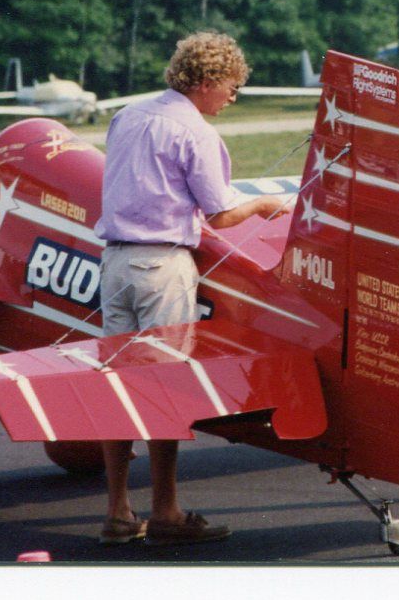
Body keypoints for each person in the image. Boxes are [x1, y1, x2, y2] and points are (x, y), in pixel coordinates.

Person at [94, 30, 292, 546]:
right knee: (165, 388)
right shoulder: (197, 133)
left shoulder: (128, 116)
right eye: (230, 86)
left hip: (114, 262)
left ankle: (118, 510)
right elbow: (222, 214)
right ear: (205, 83)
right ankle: (166, 511)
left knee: (117, 383)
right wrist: (264, 204)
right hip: (163, 266)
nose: (233, 96)